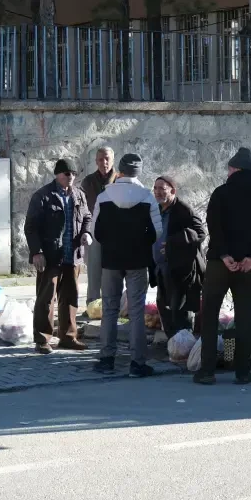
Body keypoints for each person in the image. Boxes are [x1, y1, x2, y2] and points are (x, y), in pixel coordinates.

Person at [196, 147, 251, 386]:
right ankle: (243, 371)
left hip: (219, 264)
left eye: (229, 168)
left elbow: (213, 224)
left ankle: (207, 371)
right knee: (243, 318)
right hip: (246, 266)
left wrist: (223, 254)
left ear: (234, 169)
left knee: (210, 316)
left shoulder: (221, 193)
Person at [92, 153, 163, 377]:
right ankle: (137, 363)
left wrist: (113, 244)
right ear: (138, 172)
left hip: (111, 260)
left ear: (120, 170)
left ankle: (106, 359)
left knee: (109, 309)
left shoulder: (104, 196)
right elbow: (156, 231)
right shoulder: (146, 197)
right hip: (137, 260)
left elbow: (97, 232)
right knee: (136, 311)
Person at [25, 159, 93, 354]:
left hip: (73, 256)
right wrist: (36, 252)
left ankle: (69, 337)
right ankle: (42, 339)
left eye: (73, 173)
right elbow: (31, 227)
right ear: (57, 174)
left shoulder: (79, 195)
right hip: (51, 256)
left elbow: (87, 217)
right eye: (66, 173)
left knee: (70, 298)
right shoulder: (43, 196)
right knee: (46, 298)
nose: (70, 177)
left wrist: (86, 233)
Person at [152, 176, 207, 336]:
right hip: (160, 269)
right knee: (164, 308)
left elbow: (200, 233)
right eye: (155, 188)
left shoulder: (183, 210)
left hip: (180, 270)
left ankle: (184, 348)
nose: (157, 192)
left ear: (173, 191)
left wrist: (172, 243)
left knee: (180, 311)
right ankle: (173, 346)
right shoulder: (156, 210)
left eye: (162, 188)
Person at [81, 147, 118, 305]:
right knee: (94, 270)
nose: (104, 162)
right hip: (94, 230)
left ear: (113, 159)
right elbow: (81, 206)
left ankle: (113, 304)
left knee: (114, 271)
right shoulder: (88, 181)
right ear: (96, 161)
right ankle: (92, 304)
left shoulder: (120, 179)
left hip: (115, 232)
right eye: (101, 159)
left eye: (107, 158)